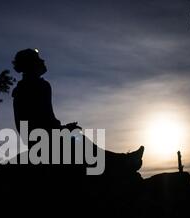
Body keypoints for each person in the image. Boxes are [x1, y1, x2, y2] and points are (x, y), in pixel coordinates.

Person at [11, 48, 144, 172]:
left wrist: (63, 128)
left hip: (39, 141)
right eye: (38, 58)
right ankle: (125, 162)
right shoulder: (39, 86)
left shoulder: (22, 89)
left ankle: (124, 160)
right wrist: (62, 130)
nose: (43, 60)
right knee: (81, 141)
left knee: (79, 139)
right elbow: (40, 123)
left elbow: (38, 123)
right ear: (31, 65)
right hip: (44, 142)